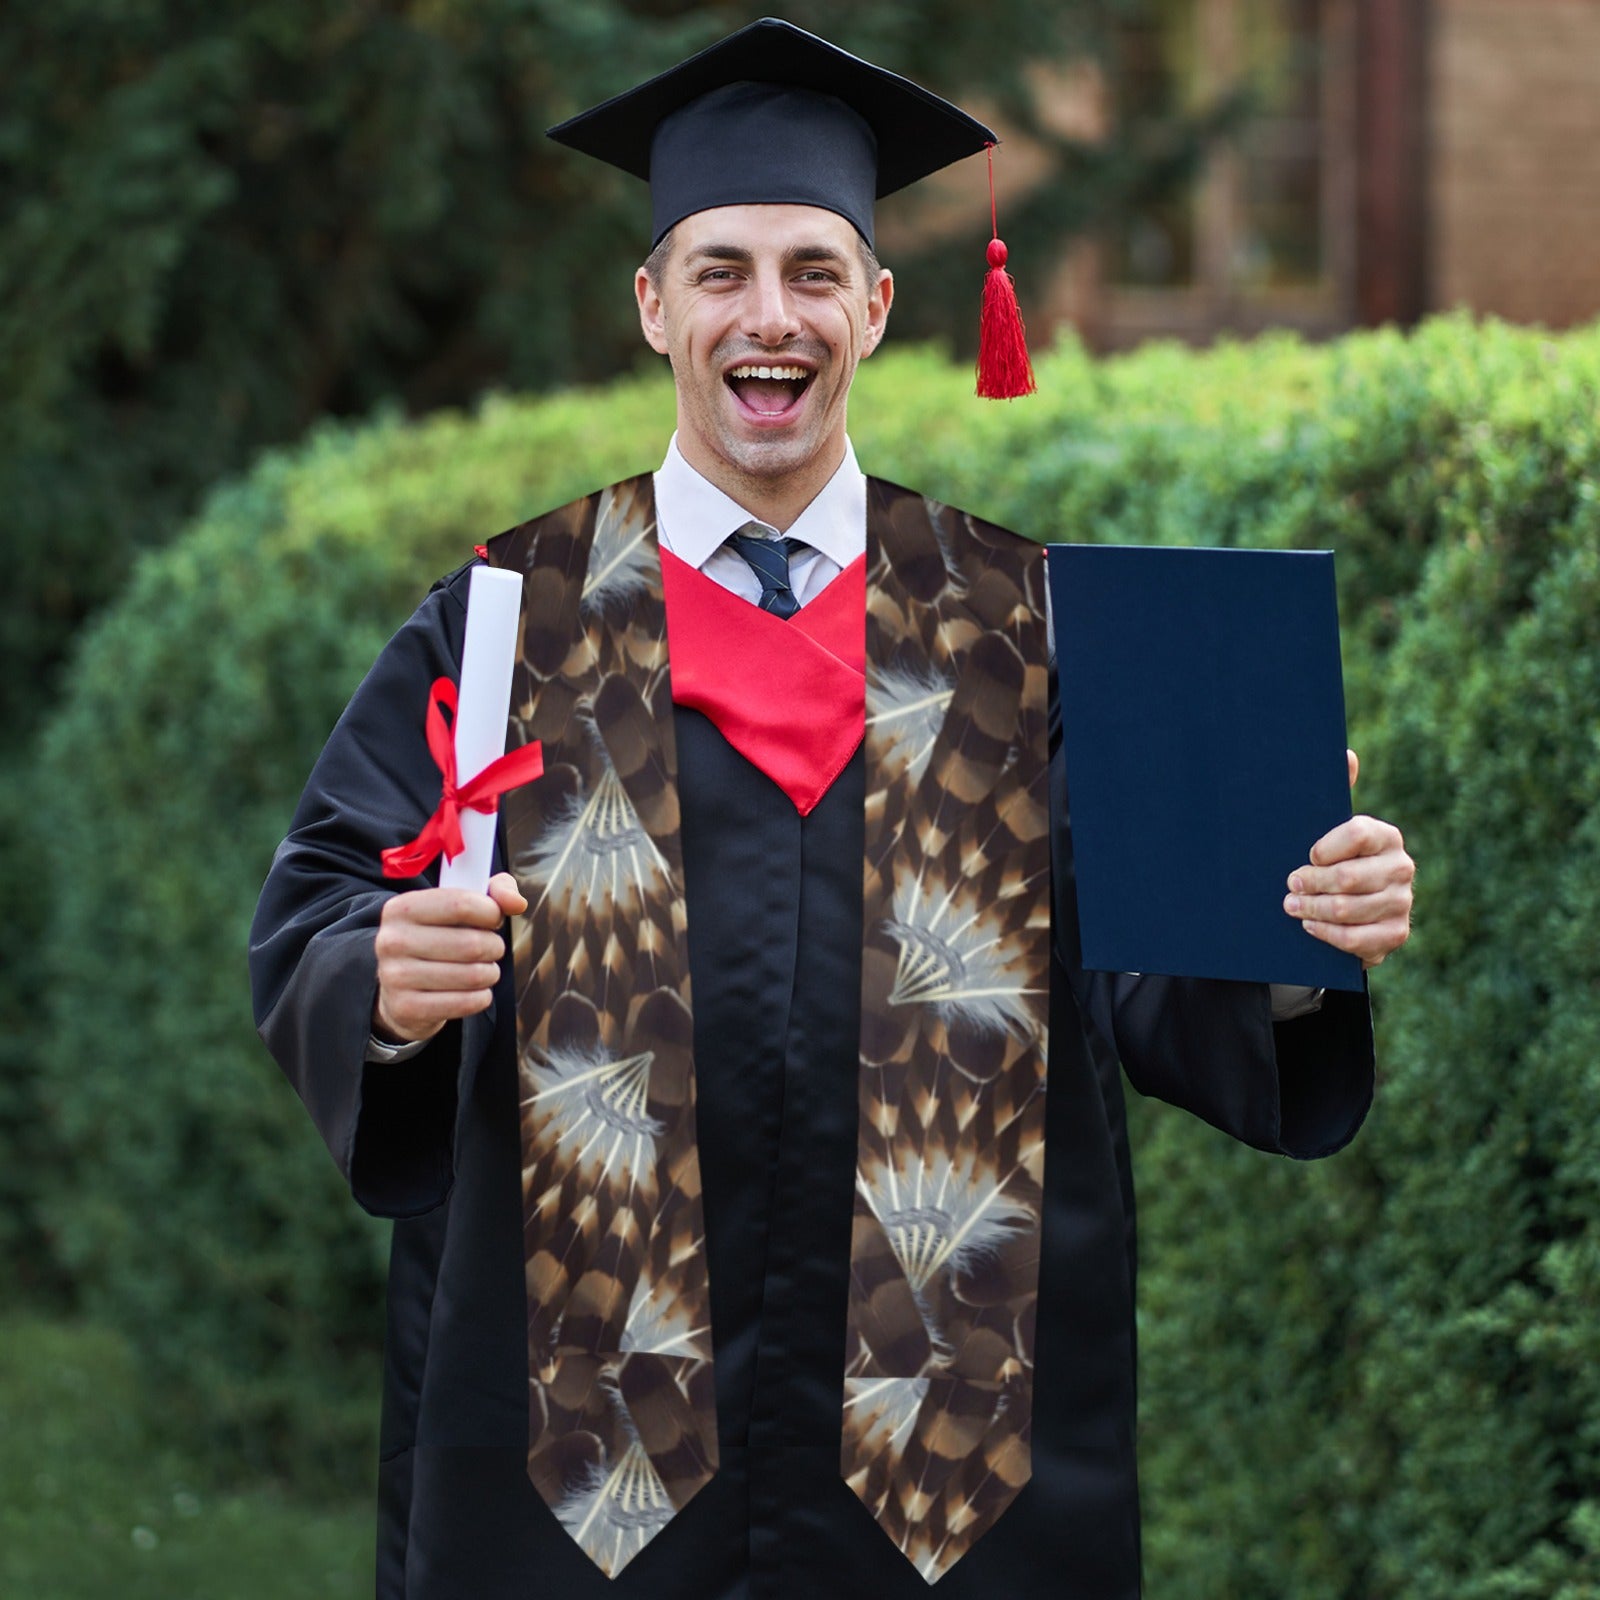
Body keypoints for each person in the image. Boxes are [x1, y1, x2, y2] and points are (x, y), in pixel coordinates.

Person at [249, 19, 1414, 1600]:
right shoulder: (512, 622)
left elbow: (1152, 975)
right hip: (589, 1469)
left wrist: (1292, 930)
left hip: (954, 1470)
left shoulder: (1028, 627)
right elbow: (324, 902)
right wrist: (380, 984)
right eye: (721, 270)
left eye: (812, 270)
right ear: (654, 305)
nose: (768, 316)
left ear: (876, 305)